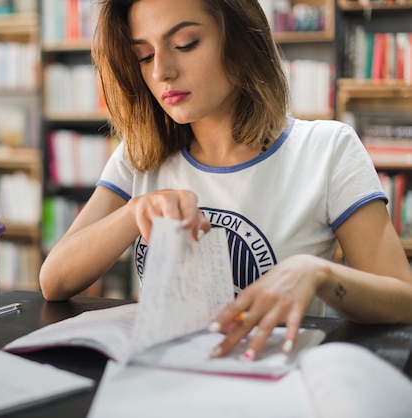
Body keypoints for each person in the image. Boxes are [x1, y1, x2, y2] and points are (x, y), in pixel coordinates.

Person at [39, 0, 412, 360]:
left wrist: (319, 274)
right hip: (163, 375)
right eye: (145, 56)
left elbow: (404, 300)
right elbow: (54, 281)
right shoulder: (140, 154)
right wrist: (132, 213)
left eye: (185, 44)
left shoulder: (326, 149)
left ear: (241, 40)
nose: (161, 71)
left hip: (269, 380)